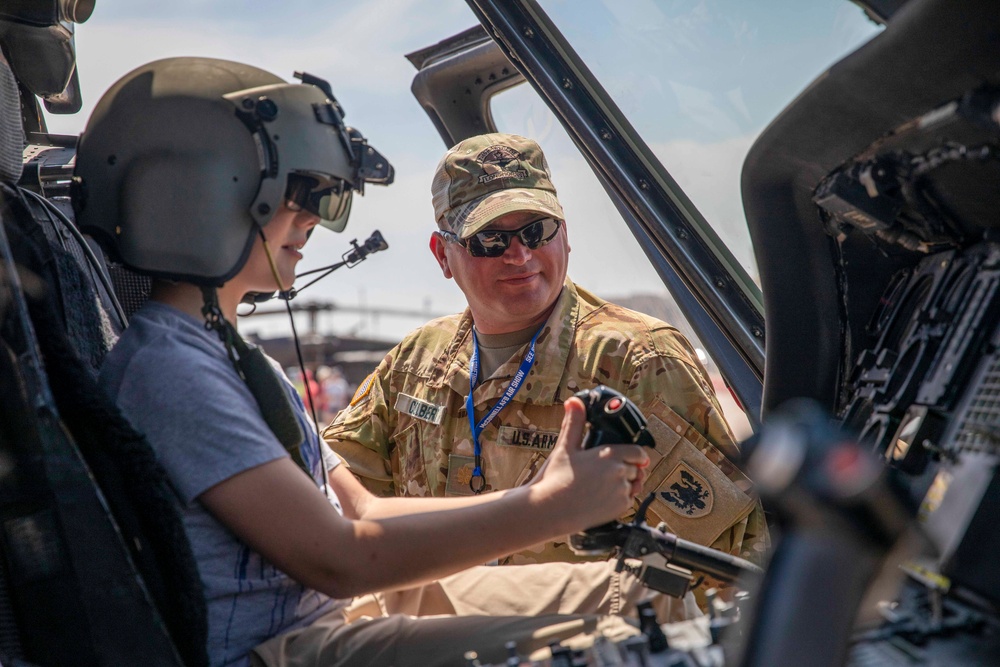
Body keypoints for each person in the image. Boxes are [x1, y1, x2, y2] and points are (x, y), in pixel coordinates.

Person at [83, 58, 651, 667]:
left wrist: (545, 493)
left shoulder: (233, 359)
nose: (311, 221)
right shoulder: (171, 373)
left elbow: (366, 512)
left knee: (647, 594)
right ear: (202, 193)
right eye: (295, 197)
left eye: (321, 200)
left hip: (324, 618)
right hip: (281, 648)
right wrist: (553, 508)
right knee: (612, 653)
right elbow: (340, 558)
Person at [324, 133, 768, 580]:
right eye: (490, 239)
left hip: (581, 641)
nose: (520, 254)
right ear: (443, 255)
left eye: (537, 230)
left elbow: (725, 563)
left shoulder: (637, 360)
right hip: (437, 633)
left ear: (565, 236)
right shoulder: (413, 363)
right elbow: (332, 496)